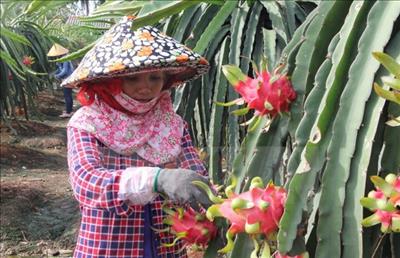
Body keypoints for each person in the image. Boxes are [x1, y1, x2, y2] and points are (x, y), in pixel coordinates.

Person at [61, 16, 213, 258]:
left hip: (169, 247)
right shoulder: (87, 122)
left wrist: (218, 199)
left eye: (155, 78)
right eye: (132, 77)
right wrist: (157, 179)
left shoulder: (172, 125)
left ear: (167, 79)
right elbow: (86, 183)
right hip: (108, 246)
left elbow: (196, 175)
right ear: (110, 81)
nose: (146, 87)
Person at [47, 43, 75, 118]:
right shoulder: (61, 59)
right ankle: (69, 110)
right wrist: (52, 74)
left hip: (68, 79)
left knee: (67, 96)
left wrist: (57, 76)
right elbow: (59, 69)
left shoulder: (65, 59)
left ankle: (68, 112)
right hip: (67, 78)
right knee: (68, 95)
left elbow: (65, 71)